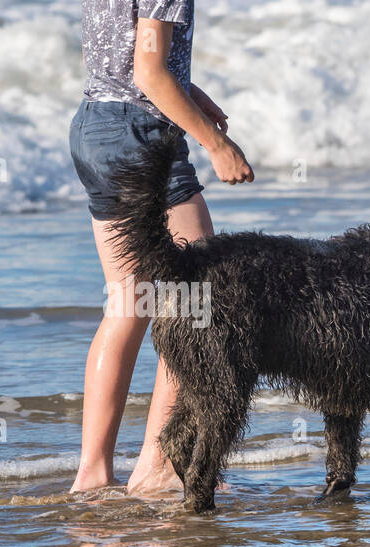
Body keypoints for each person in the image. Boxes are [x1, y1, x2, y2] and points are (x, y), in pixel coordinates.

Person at [69, 0, 254, 495]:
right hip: (141, 137)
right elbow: (149, 73)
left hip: (94, 125)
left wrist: (194, 99)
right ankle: (157, 465)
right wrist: (215, 144)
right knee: (196, 304)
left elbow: (124, 61)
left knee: (129, 302)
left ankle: (92, 473)